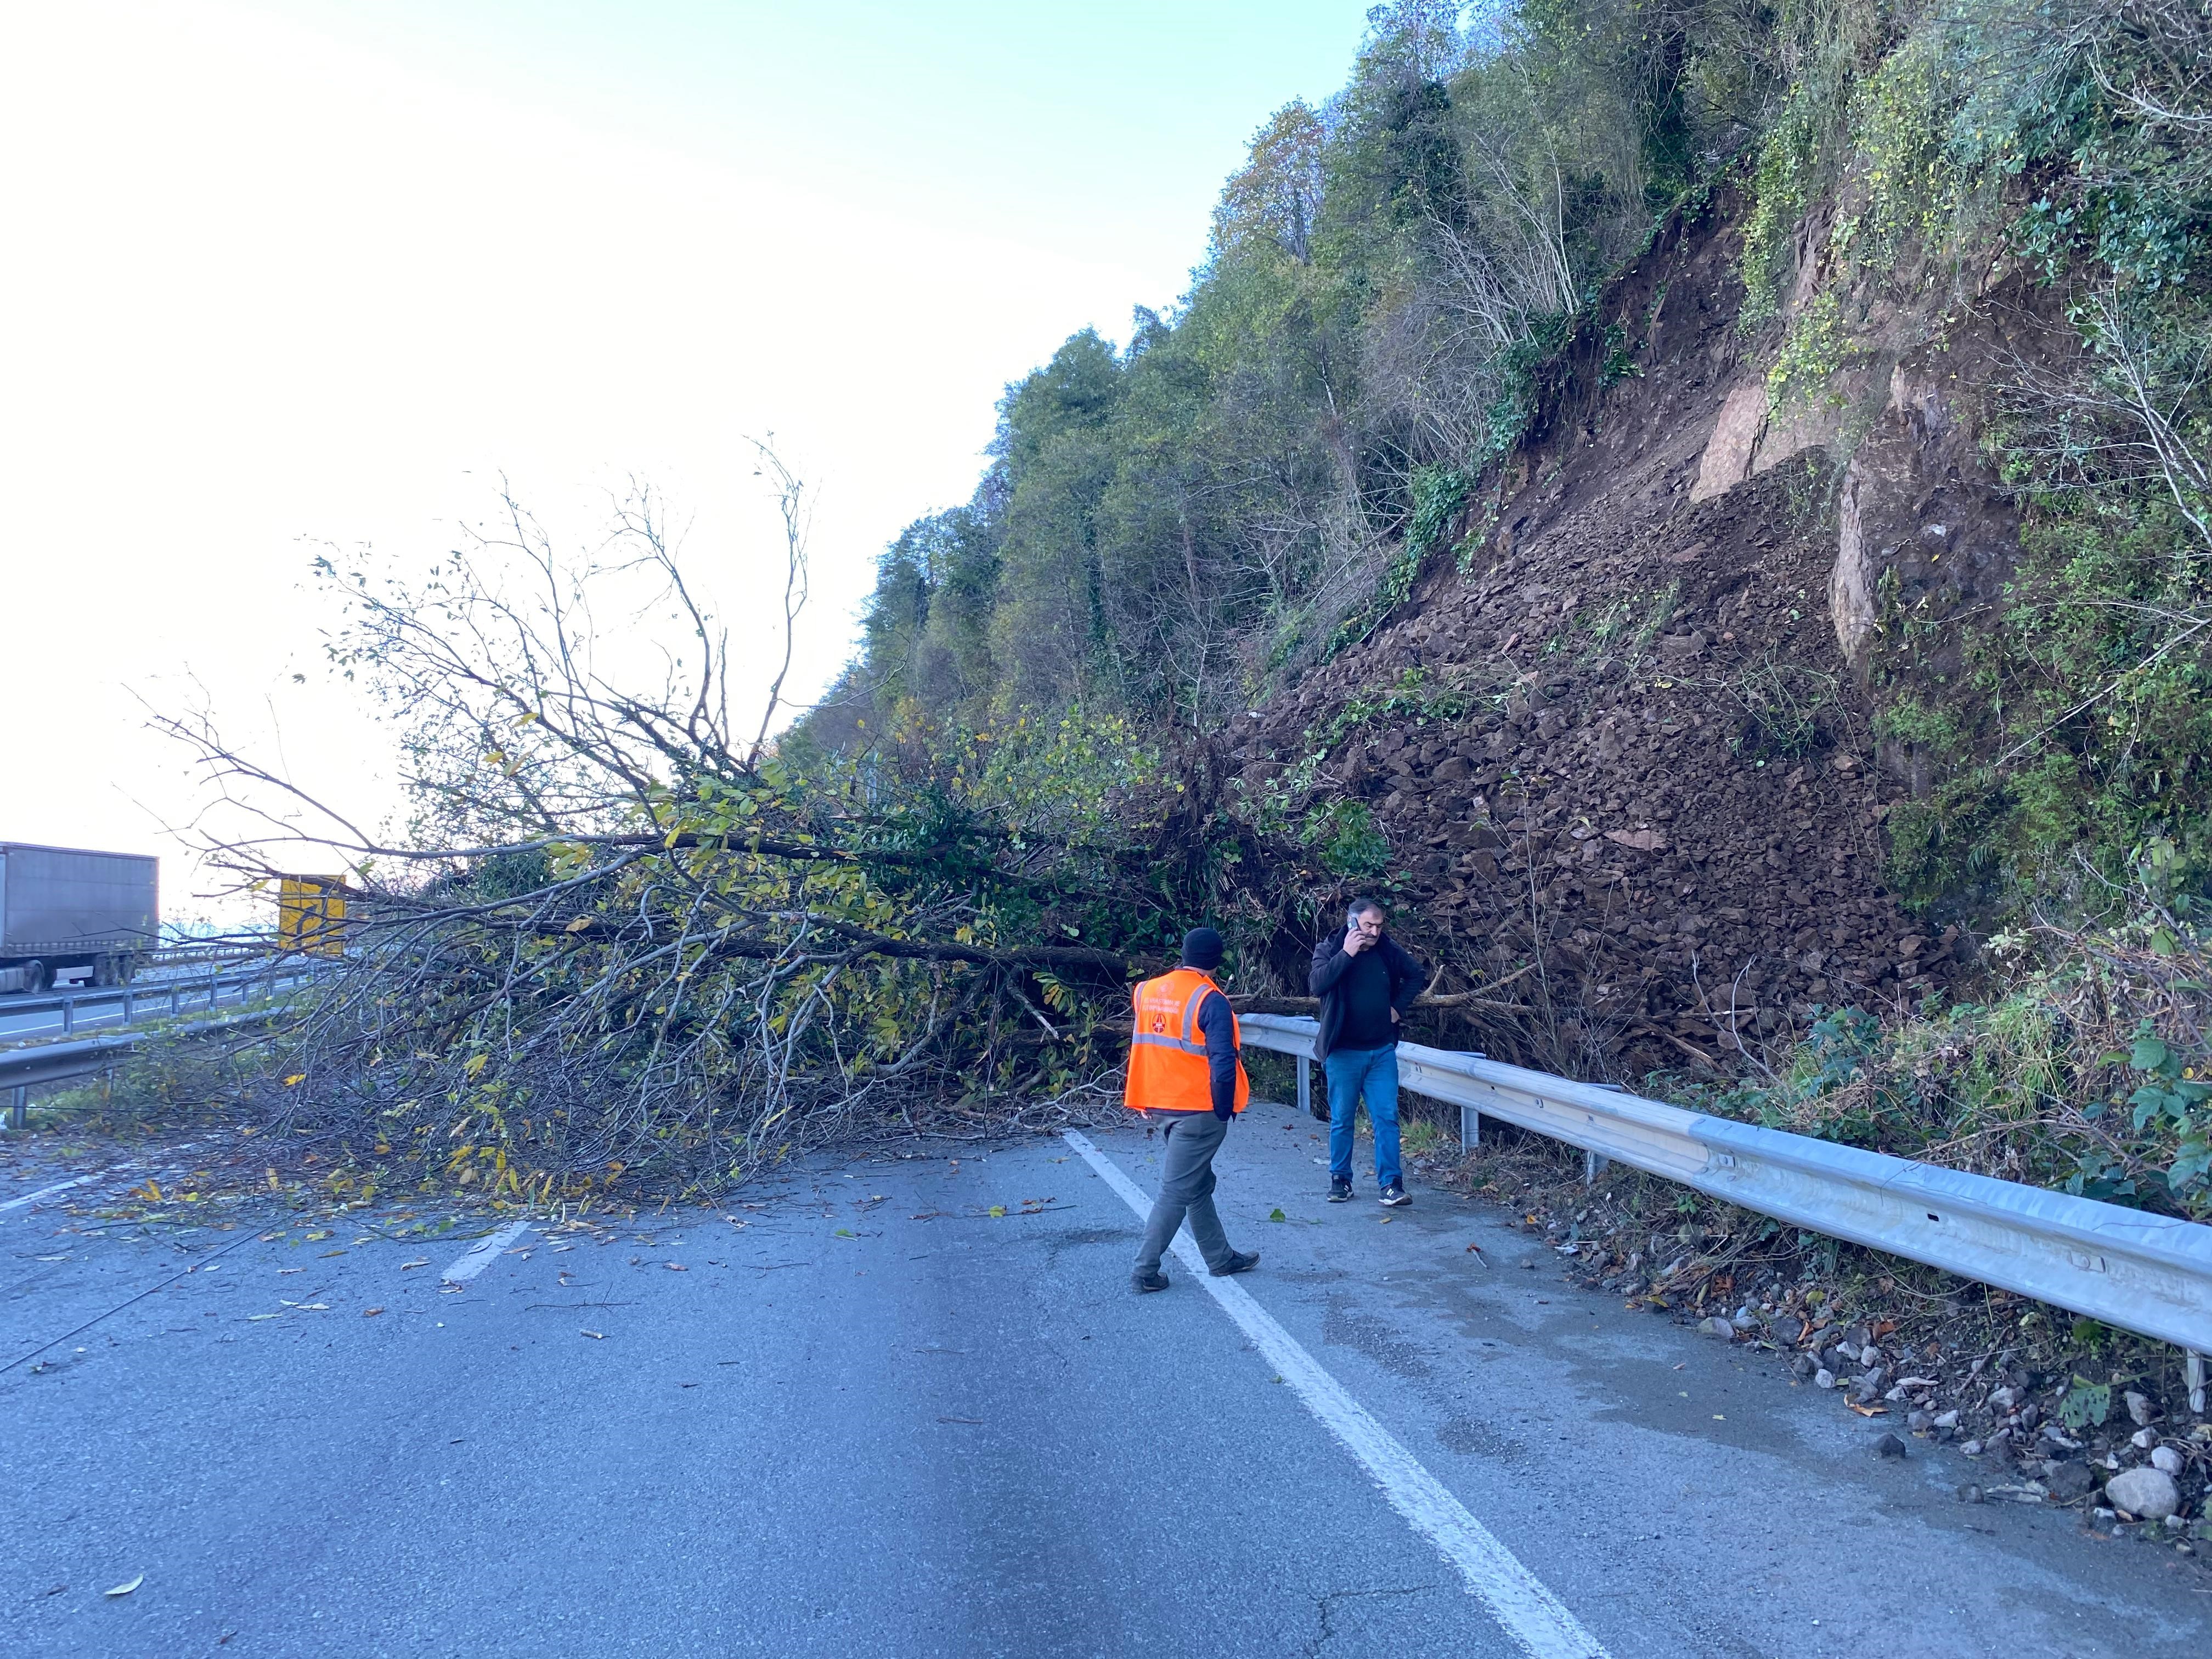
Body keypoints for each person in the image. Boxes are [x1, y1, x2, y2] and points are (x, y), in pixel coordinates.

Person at [1124, 926, 1260, 1294]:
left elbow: (1150, 1048)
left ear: (1182, 954)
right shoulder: (1209, 999)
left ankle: (1220, 1258)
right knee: (1176, 1190)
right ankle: (1144, 1271)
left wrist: (1146, 1097)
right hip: (1196, 1110)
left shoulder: (1147, 991)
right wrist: (1222, 1109)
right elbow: (1223, 1062)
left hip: (1158, 1104)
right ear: (1217, 961)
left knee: (1196, 1183)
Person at [1308, 898, 1430, 1207]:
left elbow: (1416, 975)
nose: (1374, 932)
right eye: (1368, 926)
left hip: (1381, 1051)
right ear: (1352, 923)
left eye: (1379, 926)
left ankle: (1391, 1184)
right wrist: (1347, 954)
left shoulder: (1387, 950)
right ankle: (1341, 1180)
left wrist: (1397, 1009)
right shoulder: (1330, 948)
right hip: (1343, 1052)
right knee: (1342, 1119)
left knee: (1387, 1118)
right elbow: (1317, 985)